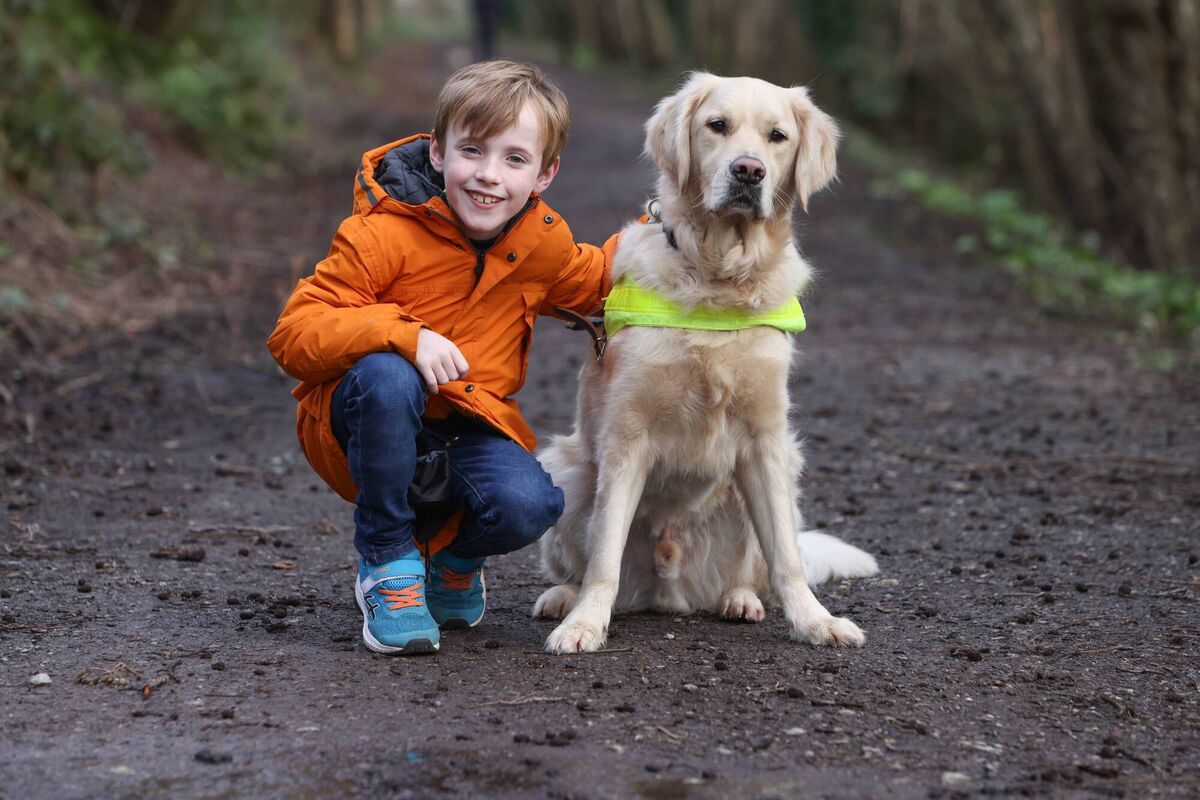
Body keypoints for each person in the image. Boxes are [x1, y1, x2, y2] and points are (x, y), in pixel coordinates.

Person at [268, 61, 616, 655]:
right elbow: (293, 333)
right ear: (437, 151)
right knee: (388, 373)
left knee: (532, 503)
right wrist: (403, 334)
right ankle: (387, 561)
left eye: (514, 159)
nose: (488, 175)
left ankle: (451, 564)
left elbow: (603, 278)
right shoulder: (380, 233)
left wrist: (671, 225)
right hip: (364, 422)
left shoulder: (541, 244)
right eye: (471, 150)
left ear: (545, 174)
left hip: (464, 427)